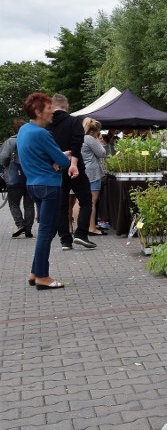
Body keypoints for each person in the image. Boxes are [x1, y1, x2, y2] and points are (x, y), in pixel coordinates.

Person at [16, 93, 74, 289]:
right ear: (39, 112)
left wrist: (53, 160)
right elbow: (64, 161)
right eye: (49, 109)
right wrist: (60, 159)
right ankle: (42, 276)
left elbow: (36, 156)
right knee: (46, 232)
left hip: (33, 184)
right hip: (49, 185)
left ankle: (35, 272)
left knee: (45, 231)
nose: (52, 112)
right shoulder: (42, 133)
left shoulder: (24, 130)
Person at [47, 93, 96, 250]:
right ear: (66, 106)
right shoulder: (73, 121)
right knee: (86, 199)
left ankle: (65, 240)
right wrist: (74, 162)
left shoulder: (46, 125)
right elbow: (77, 142)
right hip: (75, 167)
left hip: (55, 169)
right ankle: (81, 234)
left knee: (61, 205)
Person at [0, 120, 36, 238]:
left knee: (13, 203)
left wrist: (6, 166)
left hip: (14, 177)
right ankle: (29, 229)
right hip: (30, 176)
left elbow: (4, 158)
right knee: (29, 204)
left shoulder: (10, 141)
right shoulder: (32, 140)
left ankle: (20, 225)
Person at [81, 117, 107, 237]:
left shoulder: (80, 137)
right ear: (94, 131)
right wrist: (97, 140)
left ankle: (84, 226)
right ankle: (92, 228)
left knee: (83, 201)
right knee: (92, 201)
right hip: (93, 173)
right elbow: (102, 153)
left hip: (85, 171)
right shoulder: (90, 139)